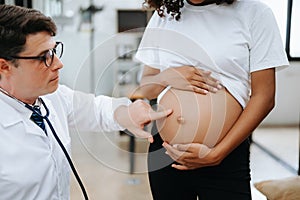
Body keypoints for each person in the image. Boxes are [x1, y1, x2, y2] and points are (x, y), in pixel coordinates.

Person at [0, 4, 172, 200]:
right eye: (44, 57)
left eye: (54, 51)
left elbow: (97, 109)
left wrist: (127, 113)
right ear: (4, 67)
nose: (58, 64)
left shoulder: (51, 98)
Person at [135, 0, 289, 199]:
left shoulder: (255, 13)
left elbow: (265, 96)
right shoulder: (164, 15)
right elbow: (146, 87)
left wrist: (217, 154)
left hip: (226, 152)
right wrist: (167, 76)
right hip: (167, 154)